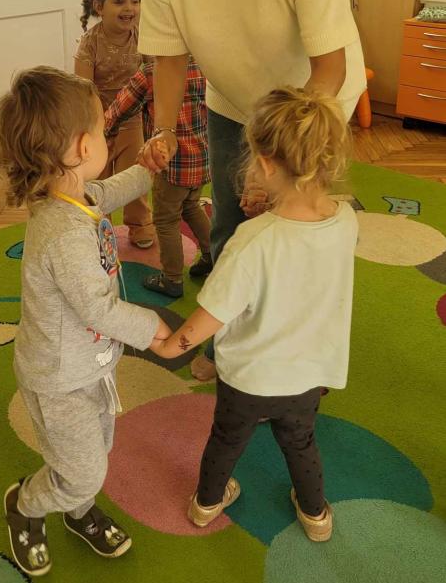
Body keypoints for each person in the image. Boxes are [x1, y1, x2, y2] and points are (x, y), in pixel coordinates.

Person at [137, 0, 365, 382]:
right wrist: (164, 131)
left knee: (295, 231)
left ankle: (299, 362)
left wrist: (282, 158)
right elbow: (167, 55)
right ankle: (230, 349)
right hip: (234, 101)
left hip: (311, 106)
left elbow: (330, 67)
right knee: (235, 228)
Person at [150, 86, 357, 542]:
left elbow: (213, 313)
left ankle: (206, 504)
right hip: (307, 375)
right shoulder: (347, 221)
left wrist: (171, 345)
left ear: (264, 164)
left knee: (226, 440)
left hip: (248, 379)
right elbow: (305, 261)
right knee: (301, 442)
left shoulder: (252, 240)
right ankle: (316, 514)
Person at [0, 66, 168, 577]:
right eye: (101, 126)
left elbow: (108, 191)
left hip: (87, 363)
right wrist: (154, 330)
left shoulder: (74, 195)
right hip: (58, 379)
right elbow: (97, 309)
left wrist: (146, 169)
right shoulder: (64, 234)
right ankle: (26, 504)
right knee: (84, 467)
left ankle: (77, 504)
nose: (106, 135)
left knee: (94, 450)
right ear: (79, 147)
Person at [104, 56, 212, 298]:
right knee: (191, 206)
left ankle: (172, 279)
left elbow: (121, 106)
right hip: (201, 160)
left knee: (165, 220)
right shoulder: (201, 65)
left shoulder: (151, 71)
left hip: (170, 164)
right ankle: (211, 255)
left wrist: (104, 130)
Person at [75, 0, 156, 249]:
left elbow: (155, 73)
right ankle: (100, 228)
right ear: (99, 7)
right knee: (98, 178)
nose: (129, 8)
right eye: (120, 1)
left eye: (135, 0)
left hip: (132, 121)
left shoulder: (143, 36)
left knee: (135, 175)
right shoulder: (90, 43)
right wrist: (96, 125)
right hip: (97, 123)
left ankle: (140, 224)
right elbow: (84, 90)